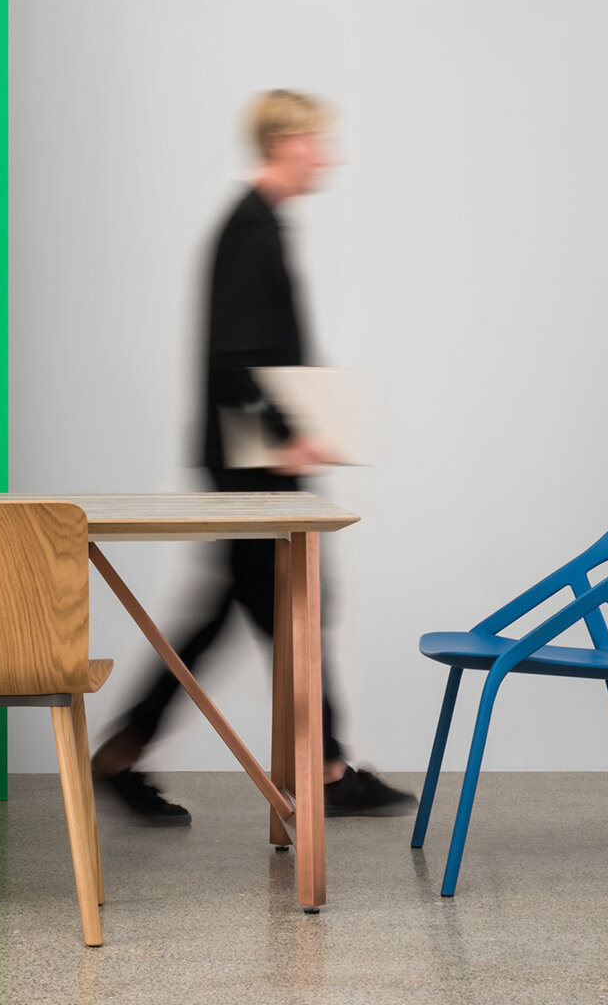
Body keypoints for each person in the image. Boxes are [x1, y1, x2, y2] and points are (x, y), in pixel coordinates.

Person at [93, 89, 413, 824]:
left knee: (267, 605)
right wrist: (288, 431)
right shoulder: (250, 229)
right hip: (253, 460)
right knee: (291, 603)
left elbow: (256, 349)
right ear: (284, 141)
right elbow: (235, 355)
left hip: (252, 455)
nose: (325, 154)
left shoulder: (259, 225)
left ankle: (125, 751)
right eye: (316, 140)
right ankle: (323, 771)